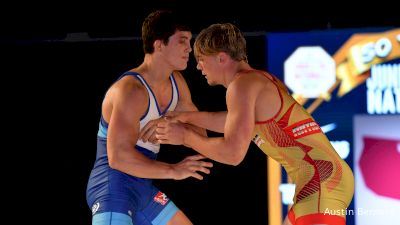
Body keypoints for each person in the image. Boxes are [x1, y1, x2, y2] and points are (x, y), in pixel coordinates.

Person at [155, 23, 355, 225]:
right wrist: (186, 118)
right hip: (322, 178)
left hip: (321, 181)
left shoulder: (241, 85)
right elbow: (235, 122)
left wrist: (185, 136)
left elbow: (232, 154)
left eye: (201, 59)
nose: (198, 67)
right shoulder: (259, 79)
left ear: (221, 57)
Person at [86, 10, 213, 225]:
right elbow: (118, 158)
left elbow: (202, 139)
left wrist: (172, 122)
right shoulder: (131, 90)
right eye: (182, 41)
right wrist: (174, 170)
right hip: (113, 186)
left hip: (142, 186)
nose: (189, 48)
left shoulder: (177, 83)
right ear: (159, 44)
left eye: (189, 41)